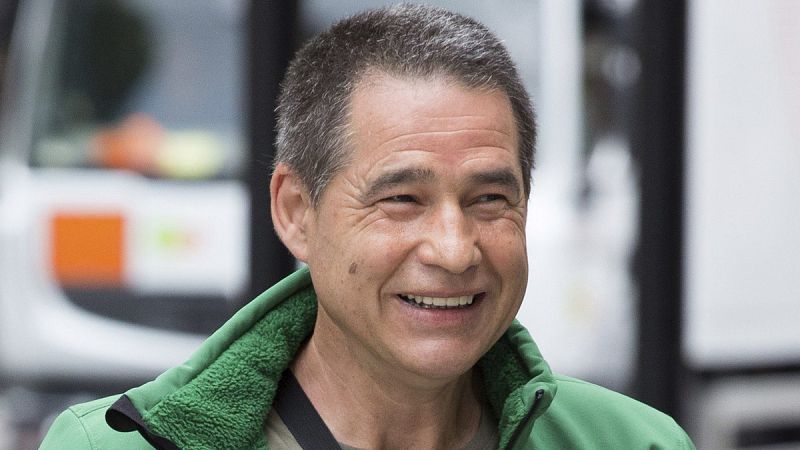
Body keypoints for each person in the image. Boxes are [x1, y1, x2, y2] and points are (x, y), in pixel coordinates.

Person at [41, 5, 695, 449]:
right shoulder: (111, 446)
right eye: (402, 199)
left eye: (490, 199)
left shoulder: (635, 442)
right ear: (296, 212)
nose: (454, 249)